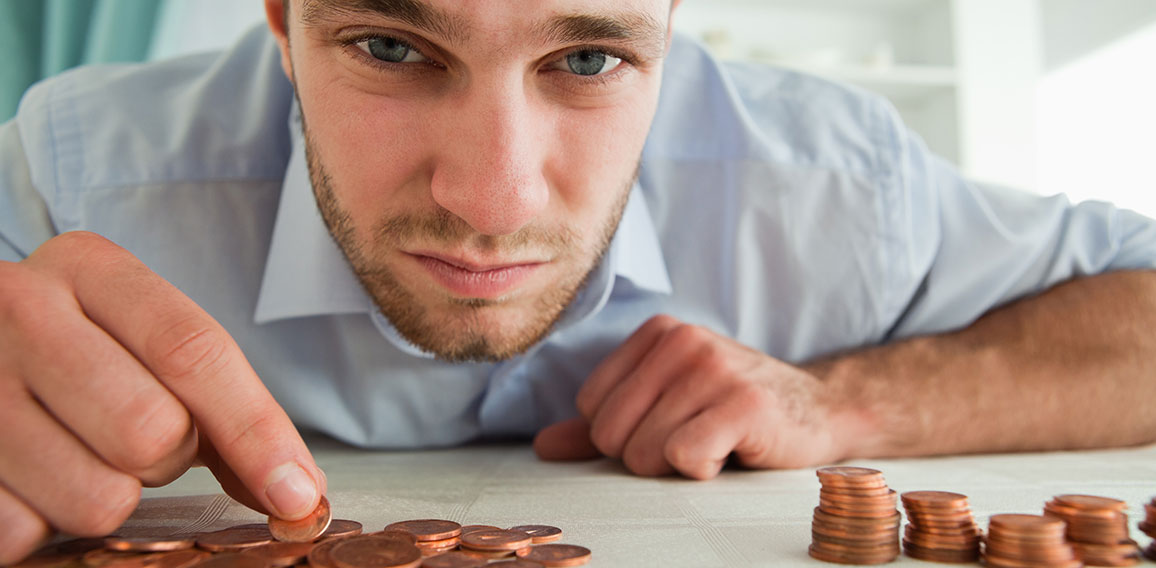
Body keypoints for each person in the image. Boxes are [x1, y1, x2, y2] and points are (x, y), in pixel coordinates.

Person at [2, 0, 1155, 561]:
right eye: (390, 47)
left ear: (669, 24)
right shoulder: (78, 173)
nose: (493, 201)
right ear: (280, 18)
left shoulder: (834, 187)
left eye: (589, 58)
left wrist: (846, 398)